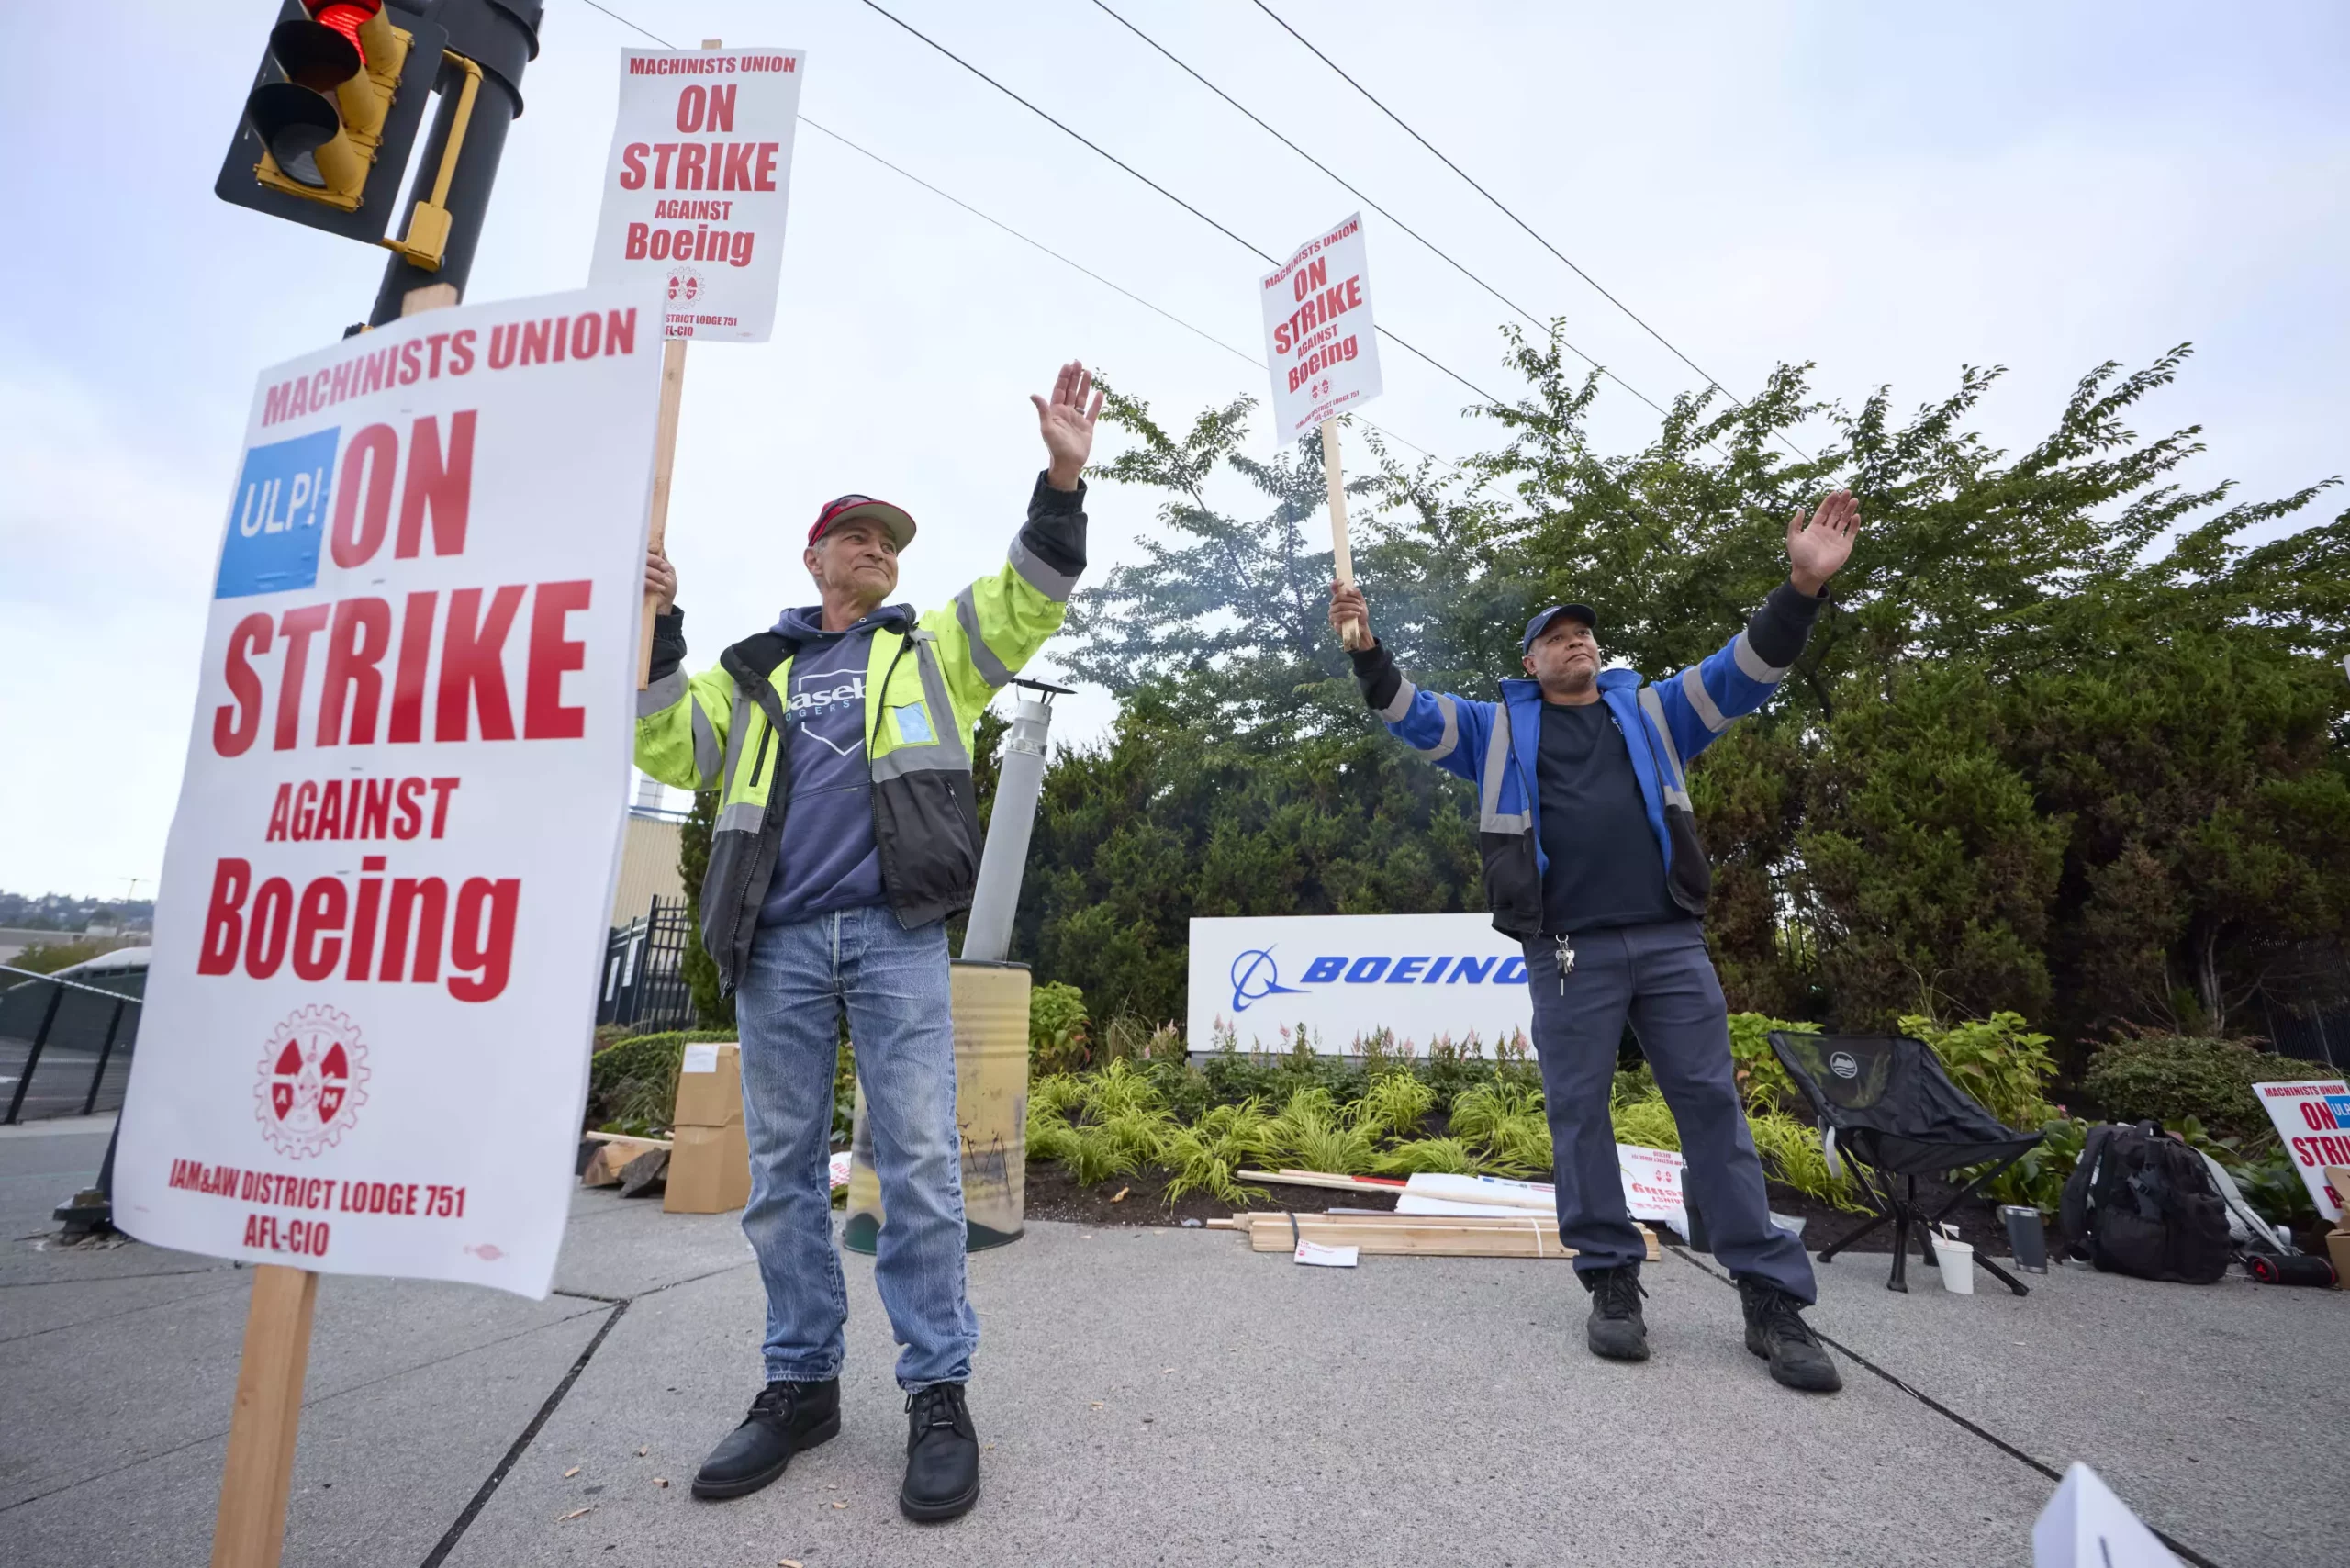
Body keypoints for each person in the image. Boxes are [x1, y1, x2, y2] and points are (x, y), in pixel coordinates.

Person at [635, 362, 1104, 1519]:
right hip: (780, 944)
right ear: (814, 557)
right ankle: (800, 1387)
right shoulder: (755, 677)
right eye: (854, 537)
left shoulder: (930, 649)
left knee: (925, 1169)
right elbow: (659, 746)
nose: (875, 550)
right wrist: (655, 632)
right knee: (782, 1183)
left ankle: (937, 1392)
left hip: (895, 938)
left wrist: (1059, 477)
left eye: (888, 540)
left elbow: (1029, 596)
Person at [1328, 491, 1863, 1394]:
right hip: (1566, 950)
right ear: (1531, 661)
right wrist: (1367, 649)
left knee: (1711, 1112)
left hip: (1668, 942)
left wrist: (1801, 586)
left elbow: (1744, 670)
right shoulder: (1495, 729)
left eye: (1586, 634)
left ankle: (1771, 1299)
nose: (1578, 642)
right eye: (1558, 636)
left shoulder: (1655, 713)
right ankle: (1611, 1281)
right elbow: (1410, 714)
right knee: (1579, 1115)